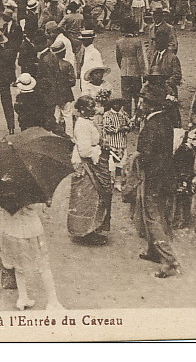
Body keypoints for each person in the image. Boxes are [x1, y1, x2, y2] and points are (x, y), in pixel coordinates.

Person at [131, 82, 180, 277]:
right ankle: (153, 250)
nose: (140, 104)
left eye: (143, 101)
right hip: (164, 174)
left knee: (152, 216)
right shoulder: (165, 120)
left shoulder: (152, 125)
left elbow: (147, 154)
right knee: (155, 211)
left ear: (150, 104)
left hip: (153, 175)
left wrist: (137, 156)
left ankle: (169, 261)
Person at [0, 203, 65, 311]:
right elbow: (33, 206)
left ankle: (22, 297)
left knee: (18, 265)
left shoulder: (5, 191)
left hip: (11, 230)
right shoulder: (30, 190)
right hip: (30, 230)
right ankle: (52, 301)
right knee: (43, 265)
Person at [67, 95, 111, 245]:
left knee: (93, 198)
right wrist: (100, 148)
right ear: (80, 110)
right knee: (89, 198)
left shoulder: (87, 122)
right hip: (87, 164)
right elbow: (85, 151)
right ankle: (86, 232)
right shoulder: (82, 125)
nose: (92, 110)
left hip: (92, 162)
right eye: (88, 107)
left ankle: (92, 228)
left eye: (93, 106)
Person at [36, 41, 76, 137]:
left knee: (55, 116)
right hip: (65, 94)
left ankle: (55, 136)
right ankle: (69, 136)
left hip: (53, 94)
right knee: (67, 116)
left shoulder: (47, 63)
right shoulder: (67, 65)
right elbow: (72, 81)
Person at [115, 18, 146, 116]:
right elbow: (140, 59)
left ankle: (127, 116)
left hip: (124, 72)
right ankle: (137, 118)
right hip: (135, 72)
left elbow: (118, 58)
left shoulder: (119, 42)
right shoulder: (137, 42)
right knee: (137, 95)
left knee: (126, 97)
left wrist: (123, 67)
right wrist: (144, 73)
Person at [102, 98, 131, 192]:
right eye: (116, 105)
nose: (118, 106)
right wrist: (119, 129)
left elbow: (129, 123)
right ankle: (109, 180)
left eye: (120, 105)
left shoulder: (124, 114)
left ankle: (117, 182)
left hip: (121, 142)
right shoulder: (107, 115)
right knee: (111, 163)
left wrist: (128, 127)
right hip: (112, 143)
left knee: (120, 163)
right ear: (112, 105)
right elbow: (107, 127)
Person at [146, 30, 182, 98]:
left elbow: (177, 75)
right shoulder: (153, 55)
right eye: (156, 41)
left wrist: (165, 84)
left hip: (168, 91)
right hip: (153, 91)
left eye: (159, 42)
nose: (156, 44)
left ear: (165, 43)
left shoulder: (172, 57)